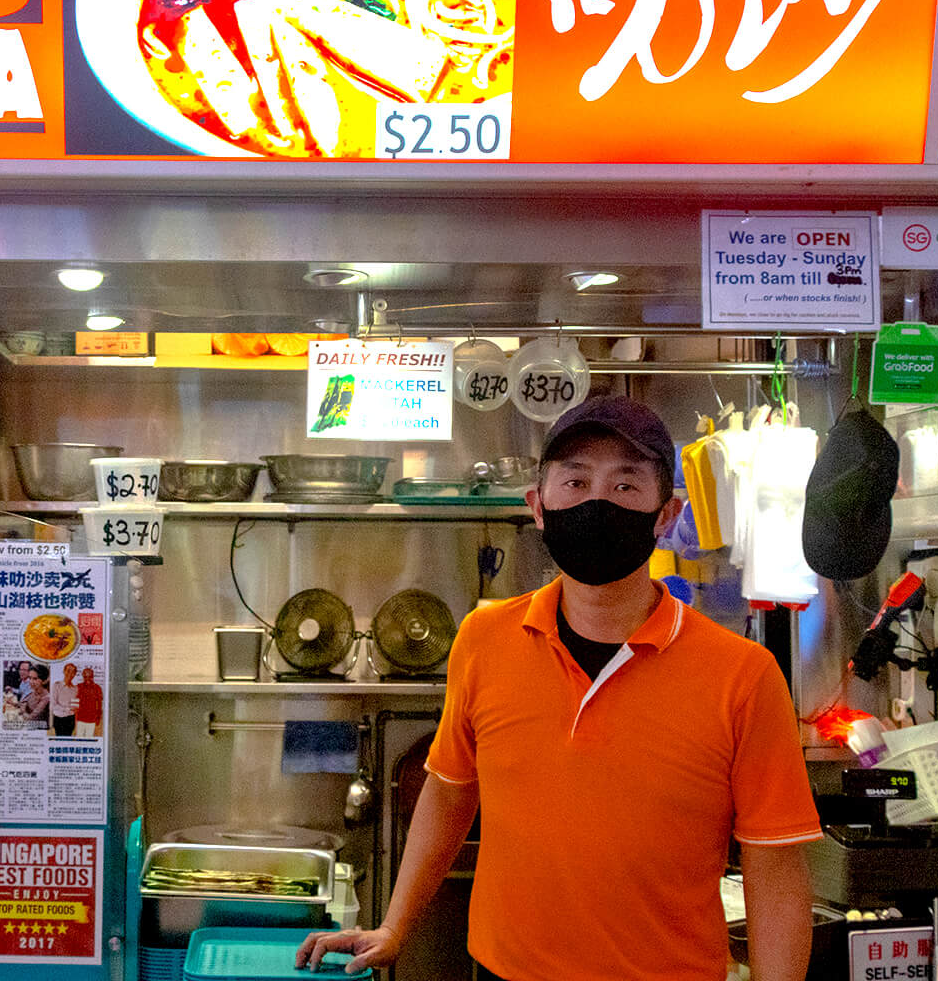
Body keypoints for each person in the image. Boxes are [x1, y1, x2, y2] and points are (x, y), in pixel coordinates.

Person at [298, 395, 821, 981]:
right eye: (575, 482)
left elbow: (774, 869)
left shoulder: (743, 676)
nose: (597, 502)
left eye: (626, 487)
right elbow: (448, 793)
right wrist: (394, 925)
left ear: (667, 514)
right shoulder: (484, 638)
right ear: (538, 507)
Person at [49, 662, 80, 737]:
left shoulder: (75, 688)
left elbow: (75, 703)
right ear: (64, 671)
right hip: (59, 719)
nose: (70, 673)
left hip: (71, 719)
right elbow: (52, 705)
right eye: (68, 670)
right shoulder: (56, 685)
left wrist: (76, 708)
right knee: (59, 740)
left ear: (75, 674)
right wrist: (68, 709)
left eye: (73, 672)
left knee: (68, 739)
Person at [74, 666, 104, 737]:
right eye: (85, 676)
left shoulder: (97, 688)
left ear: (93, 676)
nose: (87, 679)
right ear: (83, 676)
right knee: (79, 738)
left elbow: (99, 704)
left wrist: (98, 717)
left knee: (89, 738)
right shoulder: (78, 687)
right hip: (80, 718)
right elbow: (74, 702)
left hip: (92, 719)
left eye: (90, 676)